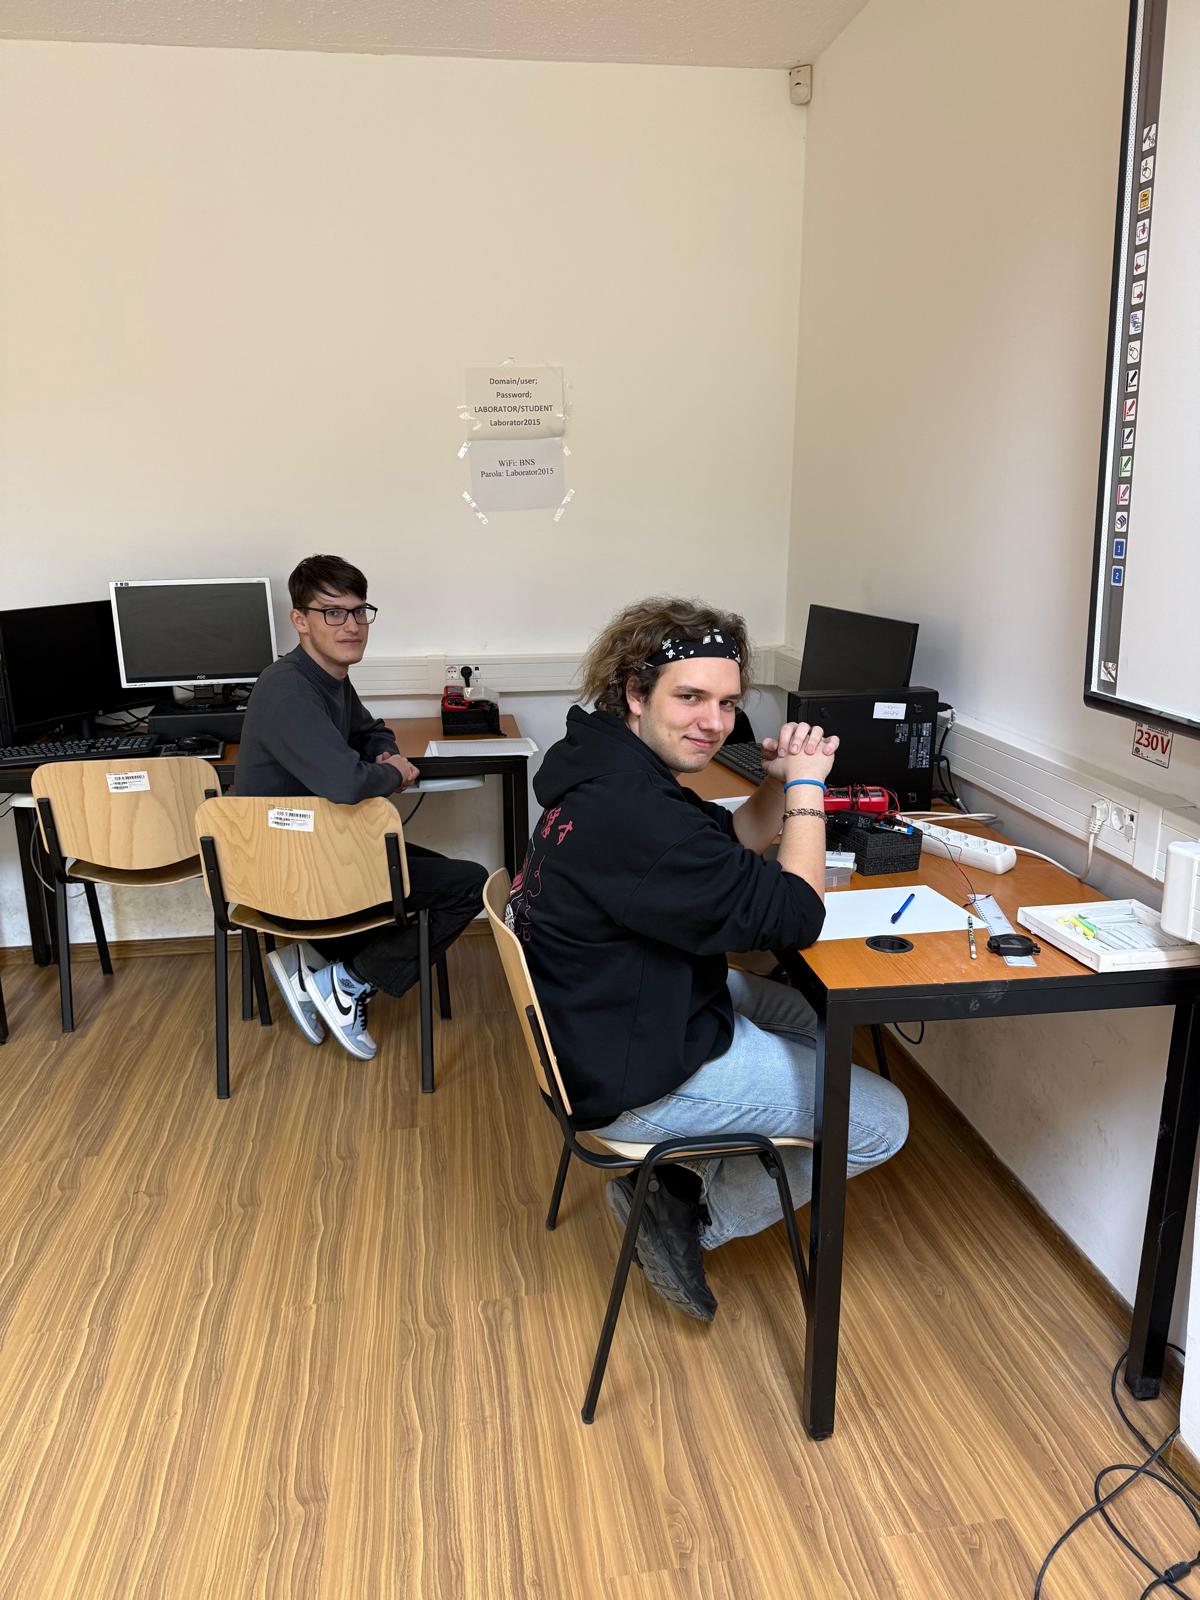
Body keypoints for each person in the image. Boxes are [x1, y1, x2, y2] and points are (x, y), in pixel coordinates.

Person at [508, 597, 908, 1320]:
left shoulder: (604, 765)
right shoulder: (634, 813)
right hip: (631, 1074)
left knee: (815, 1020)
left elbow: (730, 842)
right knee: (881, 1118)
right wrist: (810, 791)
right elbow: (796, 915)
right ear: (636, 693)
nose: (714, 722)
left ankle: (698, 1168)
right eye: (690, 698)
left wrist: (777, 782)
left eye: (727, 703)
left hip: (612, 1013)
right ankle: (687, 1216)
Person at [236, 553, 486, 1060]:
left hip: (319, 850)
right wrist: (394, 773)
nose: (351, 625)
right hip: (291, 871)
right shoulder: (288, 689)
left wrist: (384, 753)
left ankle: (312, 961)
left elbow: (370, 730)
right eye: (333, 613)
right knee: (464, 887)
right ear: (300, 620)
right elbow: (346, 784)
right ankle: (345, 982)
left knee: (433, 881)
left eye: (358, 611)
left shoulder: (327, 677)